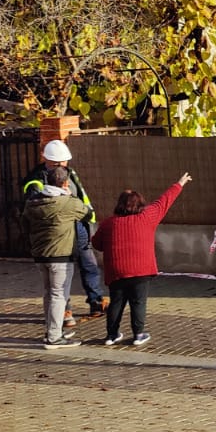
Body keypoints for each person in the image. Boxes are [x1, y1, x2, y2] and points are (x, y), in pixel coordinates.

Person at [91, 173, 192, 349]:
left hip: (116, 270)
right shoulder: (147, 216)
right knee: (138, 302)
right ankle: (138, 334)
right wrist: (180, 184)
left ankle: (111, 335)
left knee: (116, 302)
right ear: (140, 204)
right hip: (141, 269)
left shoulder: (108, 223)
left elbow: (97, 244)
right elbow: (164, 201)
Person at [22, 139, 105, 322]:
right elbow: (37, 208)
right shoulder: (36, 180)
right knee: (61, 275)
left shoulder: (70, 172)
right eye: (56, 162)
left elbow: (81, 196)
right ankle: (65, 311)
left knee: (89, 266)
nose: (61, 165)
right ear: (46, 159)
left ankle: (96, 302)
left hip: (79, 226)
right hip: (58, 233)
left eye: (64, 161)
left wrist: (88, 219)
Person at [24, 167, 95, 350]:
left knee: (49, 293)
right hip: (61, 255)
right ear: (65, 183)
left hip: (41, 255)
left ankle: (52, 331)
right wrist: (71, 196)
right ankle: (54, 337)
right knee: (59, 295)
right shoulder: (68, 202)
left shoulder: (34, 202)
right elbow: (88, 214)